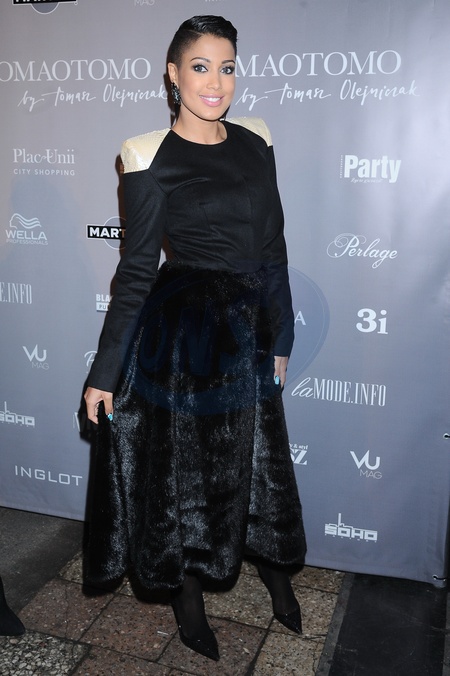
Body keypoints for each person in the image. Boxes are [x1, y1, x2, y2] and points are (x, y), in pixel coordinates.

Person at [84, 15, 306, 662]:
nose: (216, 82)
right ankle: (187, 602)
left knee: (260, 463)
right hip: (182, 341)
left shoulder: (257, 140)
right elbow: (135, 273)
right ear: (173, 76)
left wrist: (282, 336)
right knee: (185, 478)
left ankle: (276, 576)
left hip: (249, 331)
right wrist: (103, 373)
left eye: (227, 67)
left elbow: (274, 248)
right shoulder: (145, 155)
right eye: (201, 67)